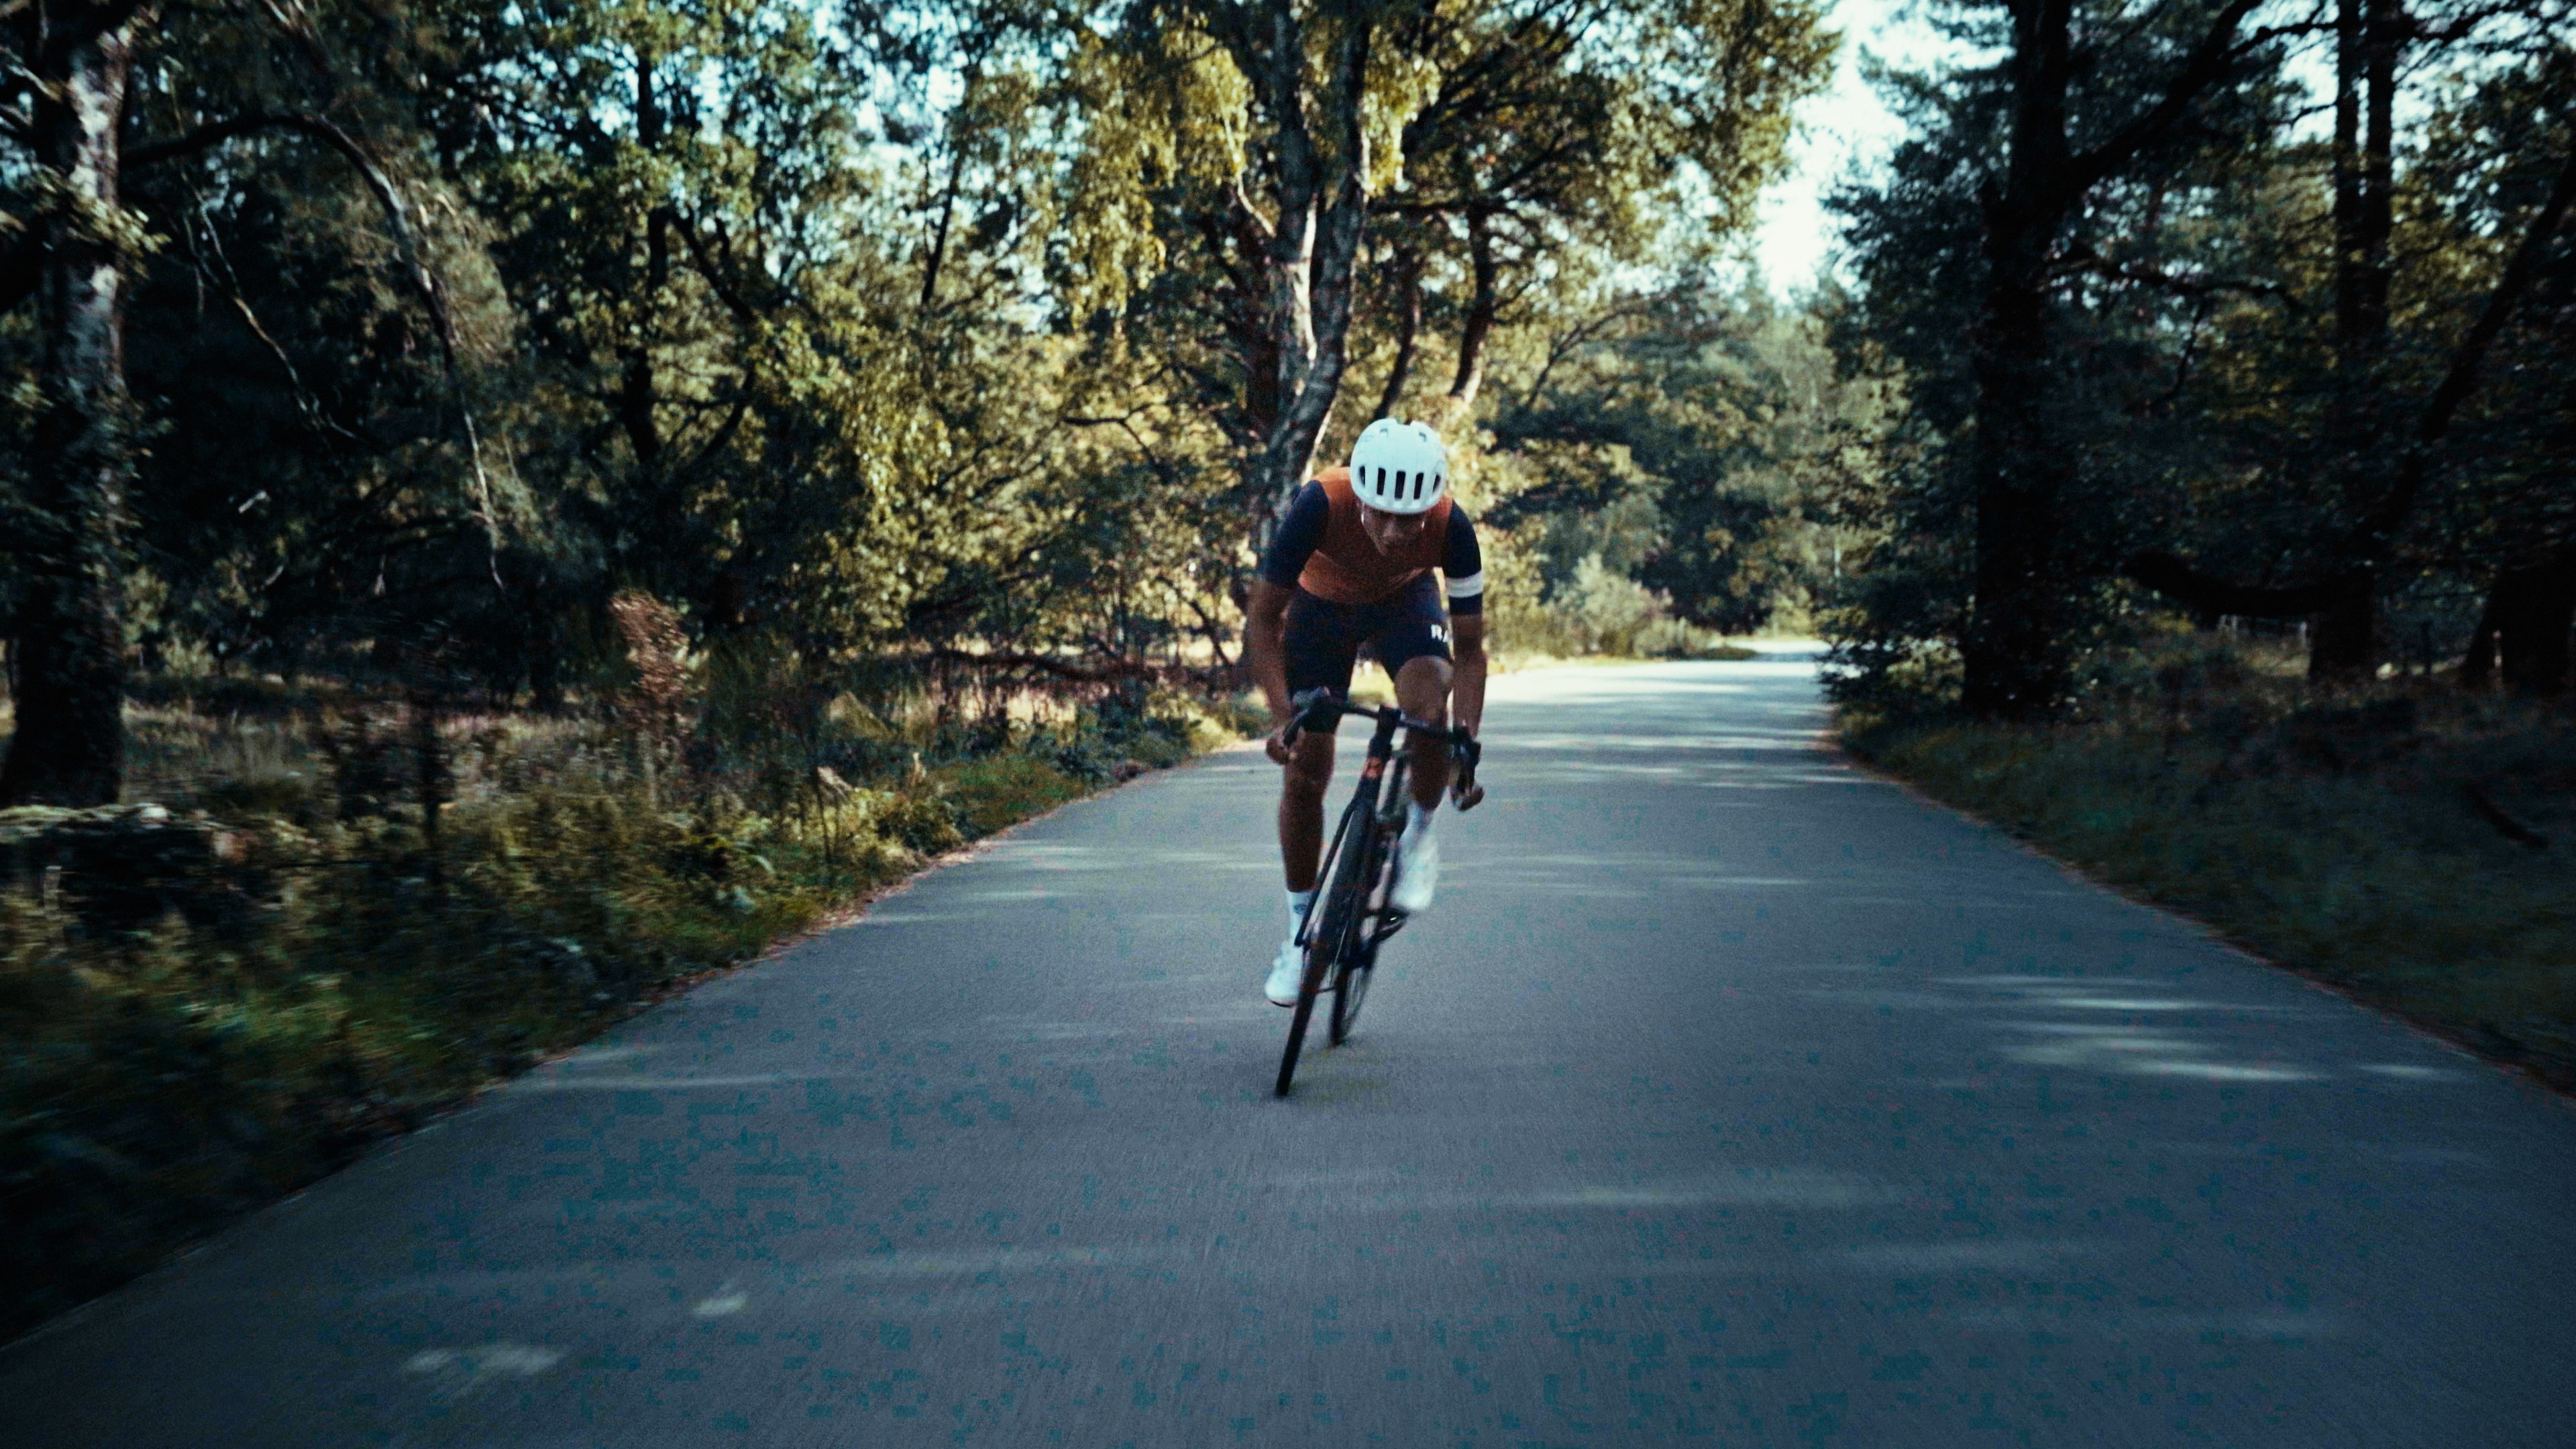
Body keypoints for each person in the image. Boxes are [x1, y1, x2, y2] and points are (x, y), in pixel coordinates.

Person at [1243, 418, 1487, 1006]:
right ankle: (1301, 935)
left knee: (1428, 706)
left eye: (1411, 519)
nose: (1394, 531)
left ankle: (1419, 836)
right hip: (1320, 610)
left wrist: (1464, 742)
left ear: (1431, 506)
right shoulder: (1318, 503)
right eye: (1380, 513)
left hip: (1404, 604)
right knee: (1305, 773)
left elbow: (1472, 651)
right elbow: (1262, 619)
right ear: (1361, 499)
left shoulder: (1453, 526)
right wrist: (1282, 718)